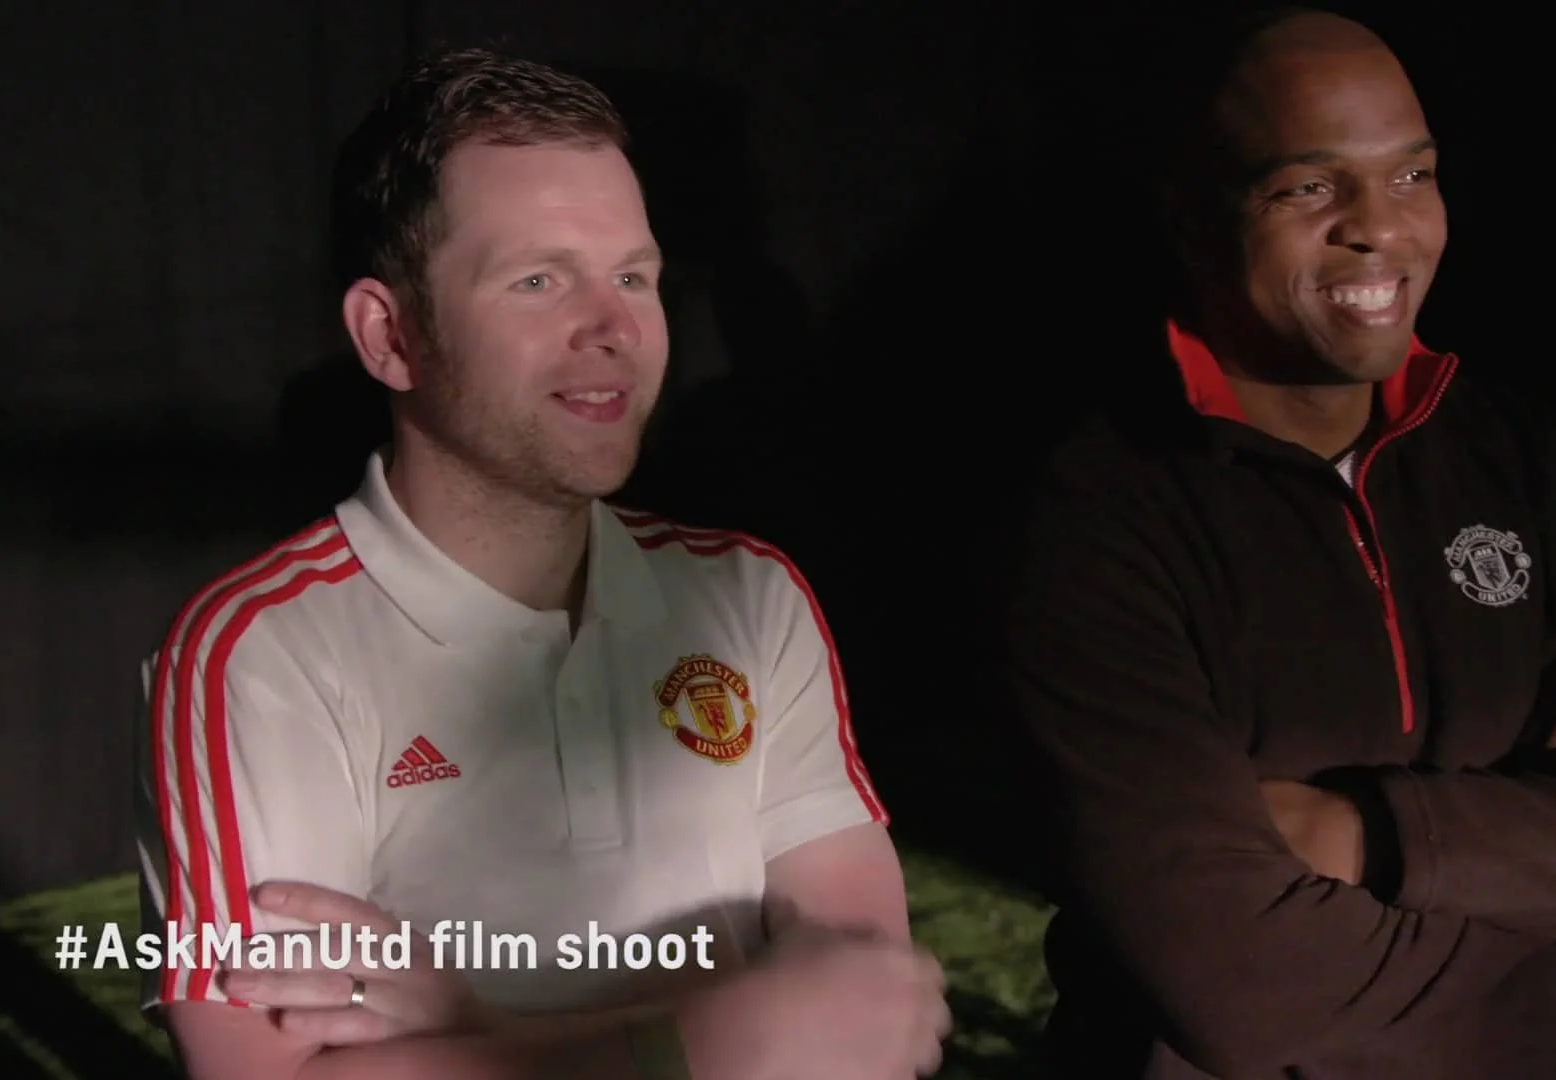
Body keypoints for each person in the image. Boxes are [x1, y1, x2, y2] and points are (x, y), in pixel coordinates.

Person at [134, 47, 950, 1080]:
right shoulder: (257, 653)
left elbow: (869, 1010)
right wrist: (708, 1041)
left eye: (633, 277)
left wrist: (489, 1037)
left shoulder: (751, 593)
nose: (615, 327)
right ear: (389, 336)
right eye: (538, 280)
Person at [995, 8, 1556, 1079]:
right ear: (1190, 211)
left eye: (1412, 175)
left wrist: (1365, 834)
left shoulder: (1529, 464)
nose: (1380, 227)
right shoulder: (1096, 516)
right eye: (1310, 186)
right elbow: (1242, 991)